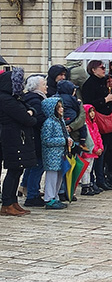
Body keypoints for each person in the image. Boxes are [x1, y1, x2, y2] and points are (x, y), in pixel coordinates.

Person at [0, 69, 38, 216]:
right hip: (12, 138)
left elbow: (30, 109)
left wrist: (31, 112)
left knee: (18, 170)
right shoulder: (6, 99)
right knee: (14, 170)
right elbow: (27, 119)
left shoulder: (14, 97)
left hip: (19, 137)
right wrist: (30, 114)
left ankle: (13, 201)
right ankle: (7, 203)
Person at [81, 60, 112, 190]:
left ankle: (106, 175)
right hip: (98, 120)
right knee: (99, 152)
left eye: (104, 67)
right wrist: (105, 100)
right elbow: (88, 103)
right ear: (93, 70)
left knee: (110, 149)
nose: (104, 70)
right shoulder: (89, 84)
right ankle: (97, 179)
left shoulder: (104, 82)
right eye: (101, 67)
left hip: (108, 118)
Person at [40, 97, 72, 210]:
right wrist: (63, 140)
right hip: (51, 154)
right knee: (52, 176)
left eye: (61, 106)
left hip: (60, 154)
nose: (61, 109)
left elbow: (64, 134)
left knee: (59, 176)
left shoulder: (60, 121)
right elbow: (46, 140)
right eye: (58, 107)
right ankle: (49, 198)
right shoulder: (49, 123)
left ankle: (55, 196)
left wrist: (68, 139)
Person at [21, 75, 47, 207]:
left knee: (33, 165)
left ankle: (27, 188)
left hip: (32, 137)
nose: (46, 87)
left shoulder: (30, 97)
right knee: (38, 165)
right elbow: (39, 119)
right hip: (36, 137)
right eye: (44, 85)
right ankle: (32, 195)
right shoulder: (36, 100)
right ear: (37, 87)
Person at [80, 105, 104, 195]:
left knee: (89, 169)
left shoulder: (94, 124)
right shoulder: (86, 125)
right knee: (86, 169)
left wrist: (100, 147)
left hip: (94, 150)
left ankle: (88, 184)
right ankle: (85, 185)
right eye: (90, 112)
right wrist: (95, 149)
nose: (92, 114)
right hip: (89, 150)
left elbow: (98, 136)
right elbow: (89, 140)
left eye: (93, 111)